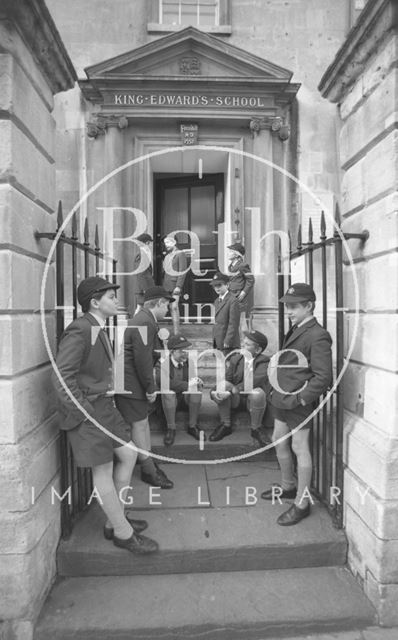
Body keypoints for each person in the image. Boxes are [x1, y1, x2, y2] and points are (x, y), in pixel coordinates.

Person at [52, 276, 158, 554]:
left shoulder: (97, 327)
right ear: (95, 302)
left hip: (104, 410)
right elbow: (62, 377)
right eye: (111, 297)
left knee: (129, 454)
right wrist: (84, 411)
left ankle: (115, 519)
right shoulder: (80, 329)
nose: (116, 300)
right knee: (103, 471)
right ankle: (123, 532)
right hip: (88, 412)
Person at [262, 283, 333, 526]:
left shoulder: (318, 334)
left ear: (309, 306)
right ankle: (288, 486)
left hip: (297, 402)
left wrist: (301, 398)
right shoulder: (298, 327)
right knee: (277, 440)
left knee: (299, 447)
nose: (289, 311)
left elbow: (323, 376)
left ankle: (302, 503)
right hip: (283, 398)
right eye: (288, 306)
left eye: (293, 307)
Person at [115, 285, 174, 489]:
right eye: (166, 305)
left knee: (143, 423)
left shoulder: (145, 320)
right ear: (158, 303)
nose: (167, 309)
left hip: (132, 382)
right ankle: (148, 471)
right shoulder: (145, 322)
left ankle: (149, 462)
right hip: (132, 384)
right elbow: (142, 360)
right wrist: (151, 388)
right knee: (139, 425)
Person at [209, 330, 270, 443]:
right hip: (236, 400)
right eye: (243, 342)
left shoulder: (264, 362)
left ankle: (256, 428)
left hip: (252, 402)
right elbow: (226, 380)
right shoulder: (236, 359)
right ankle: (225, 425)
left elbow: (256, 381)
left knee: (258, 392)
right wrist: (214, 392)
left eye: (247, 344)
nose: (242, 346)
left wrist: (235, 388)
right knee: (223, 385)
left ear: (258, 350)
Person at [155, 334, 204, 446]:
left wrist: (197, 382)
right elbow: (162, 382)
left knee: (196, 390)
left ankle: (192, 426)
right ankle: (171, 428)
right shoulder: (162, 363)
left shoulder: (189, 362)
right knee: (168, 392)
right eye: (181, 350)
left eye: (186, 350)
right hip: (169, 401)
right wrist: (187, 385)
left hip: (184, 399)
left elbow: (192, 381)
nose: (185, 353)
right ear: (172, 351)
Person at [227, 242, 255, 334]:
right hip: (231, 296)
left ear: (236, 254)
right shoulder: (231, 266)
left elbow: (251, 279)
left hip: (239, 297)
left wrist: (244, 292)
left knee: (242, 324)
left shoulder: (243, 265)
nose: (228, 253)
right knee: (233, 322)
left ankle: (245, 343)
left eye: (230, 251)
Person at [162, 235, 188, 334]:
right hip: (167, 285)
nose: (166, 245)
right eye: (165, 243)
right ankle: (174, 332)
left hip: (175, 285)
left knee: (174, 307)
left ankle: (177, 333)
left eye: (168, 242)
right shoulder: (167, 256)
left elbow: (182, 271)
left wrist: (178, 286)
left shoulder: (180, 254)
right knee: (168, 308)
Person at [211, 272, 240, 355]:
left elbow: (233, 323)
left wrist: (228, 340)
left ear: (227, 285)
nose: (217, 288)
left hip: (228, 343)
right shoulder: (217, 301)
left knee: (229, 365)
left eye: (219, 285)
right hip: (218, 340)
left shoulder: (232, 300)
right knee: (220, 366)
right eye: (214, 286)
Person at [133, 232, 155, 314]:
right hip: (144, 287)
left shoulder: (143, 254)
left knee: (141, 308)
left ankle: (136, 325)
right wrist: (145, 289)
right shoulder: (142, 255)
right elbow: (141, 274)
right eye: (150, 243)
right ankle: (135, 325)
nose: (150, 245)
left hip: (144, 287)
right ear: (147, 242)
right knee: (143, 308)